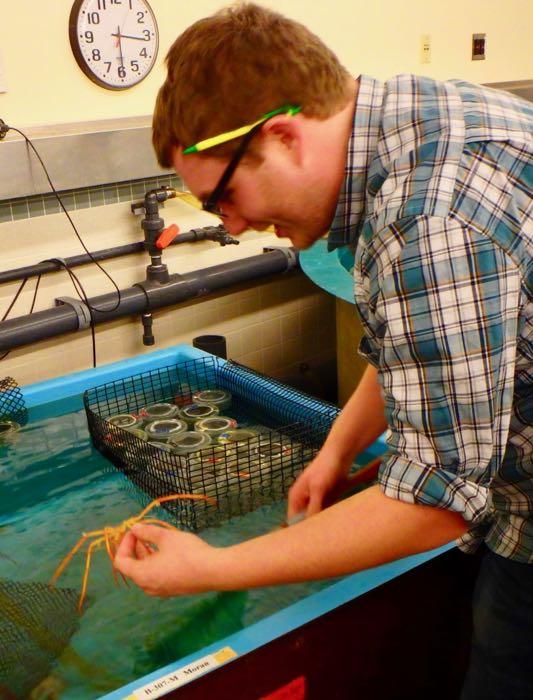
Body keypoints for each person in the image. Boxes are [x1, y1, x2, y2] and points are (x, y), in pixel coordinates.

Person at [114, 4, 533, 697]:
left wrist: (213, 567)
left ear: (281, 136)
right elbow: (424, 347)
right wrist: (337, 450)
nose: (236, 225)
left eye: (224, 197)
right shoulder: (406, 121)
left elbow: (436, 501)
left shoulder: (426, 216)